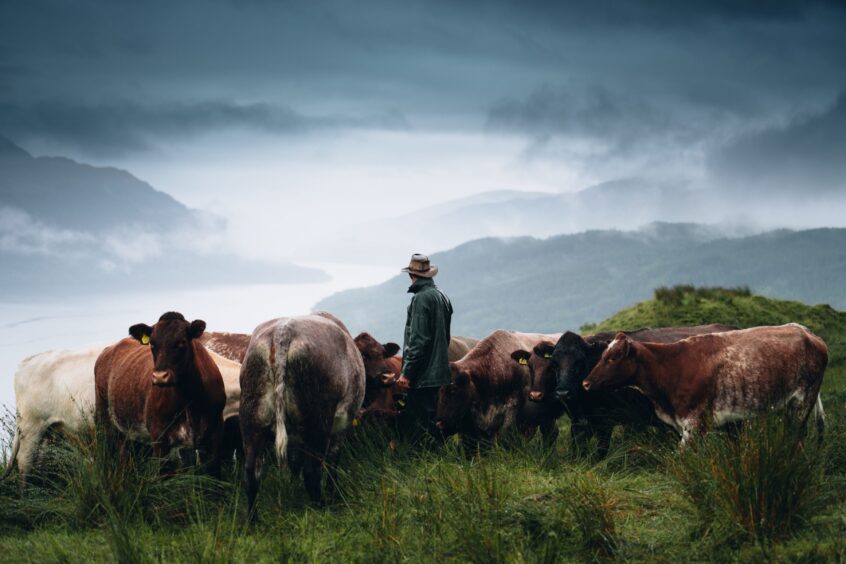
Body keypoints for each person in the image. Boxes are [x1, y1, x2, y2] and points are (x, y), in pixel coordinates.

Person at [395, 253, 453, 443]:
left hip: (422, 376)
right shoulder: (442, 296)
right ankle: (439, 462)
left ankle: (422, 463)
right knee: (435, 420)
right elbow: (445, 337)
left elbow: (418, 341)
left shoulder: (421, 299)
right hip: (440, 373)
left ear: (412, 275)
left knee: (419, 427)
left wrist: (407, 373)